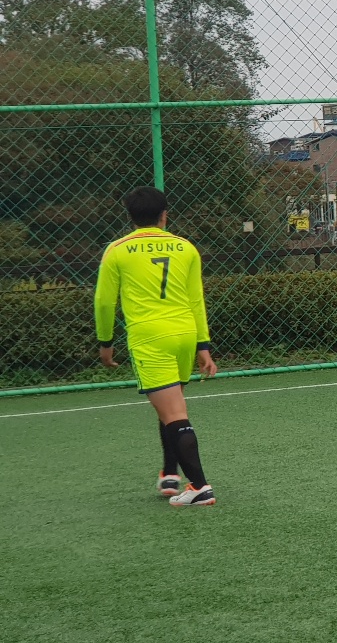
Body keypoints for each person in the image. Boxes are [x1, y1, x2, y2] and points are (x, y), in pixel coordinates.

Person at [94, 187, 219, 506]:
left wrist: (105, 343)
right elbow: (196, 300)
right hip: (184, 334)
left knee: (175, 413)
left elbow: (105, 303)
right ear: (165, 215)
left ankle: (200, 487)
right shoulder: (185, 247)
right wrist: (203, 346)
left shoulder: (118, 249)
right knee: (169, 406)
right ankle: (170, 473)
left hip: (150, 338)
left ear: (130, 216)